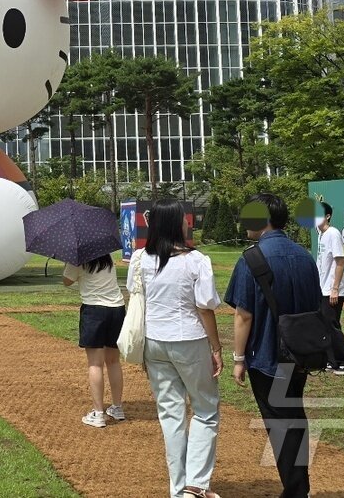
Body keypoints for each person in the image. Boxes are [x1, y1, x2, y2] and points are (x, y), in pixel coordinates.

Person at [225, 193, 322, 498]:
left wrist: (238, 358)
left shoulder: (253, 258)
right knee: (293, 415)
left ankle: (296, 490)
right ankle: (298, 486)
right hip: (301, 351)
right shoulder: (304, 255)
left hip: (267, 355)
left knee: (280, 421)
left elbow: (243, 315)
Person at [126, 200, 222, 498]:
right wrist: (216, 348)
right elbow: (205, 308)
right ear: (175, 223)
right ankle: (195, 485)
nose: (187, 223)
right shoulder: (196, 261)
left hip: (154, 341)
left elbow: (135, 296)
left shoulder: (140, 258)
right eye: (184, 219)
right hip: (189, 340)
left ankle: (180, 490)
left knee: (171, 414)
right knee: (206, 410)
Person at [62, 253, 125, 429]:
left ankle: (98, 413)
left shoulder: (78, 259)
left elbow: (67, 281)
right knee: (113, 361)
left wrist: (68, 262)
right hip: (117, 309)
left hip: (94, 310)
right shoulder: (108, 256)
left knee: (95, 364)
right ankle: (117, 407)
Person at [315, 202, 344, 376]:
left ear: (327, 216)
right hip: (323, 288)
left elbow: (340, 261)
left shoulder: (333, 233)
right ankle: (332, 361)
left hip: (333, 290)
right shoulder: (321, 235)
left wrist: (334, 288)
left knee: (331, 326)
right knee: (324, 326)